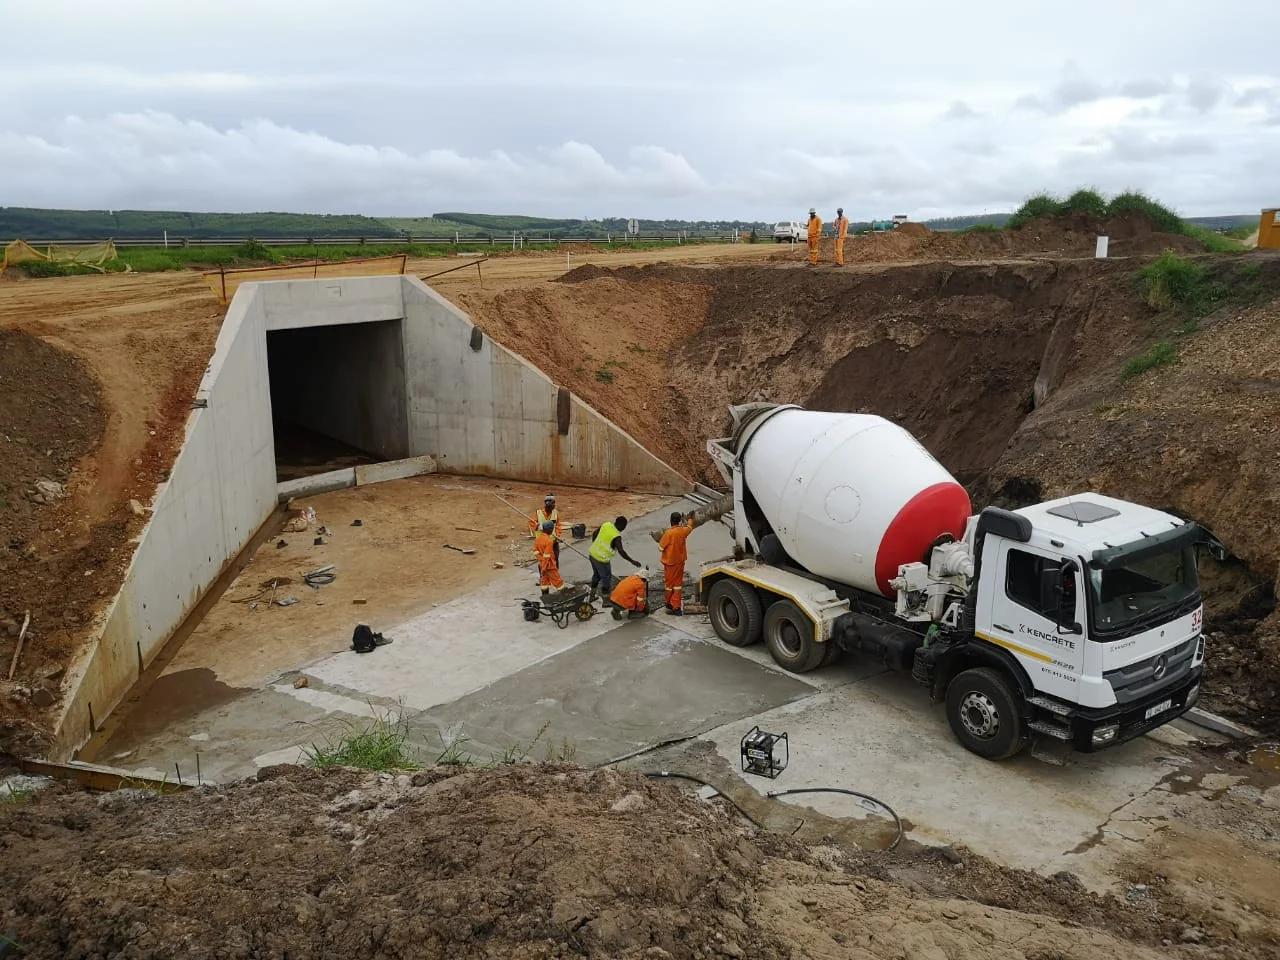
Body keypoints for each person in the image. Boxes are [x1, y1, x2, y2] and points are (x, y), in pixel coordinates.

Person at [658, 511, 699, 615]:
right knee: (677, 584)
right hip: (680, 562)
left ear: (670, 521)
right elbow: (690, 527)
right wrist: (690, 519)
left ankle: (669, 604)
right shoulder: (683, 531)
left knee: (669, 585)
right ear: (680, 521)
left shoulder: (669, 533)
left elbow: (660, 548)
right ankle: (676, 607)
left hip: (670, 563)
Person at [588, 516, 640, 599]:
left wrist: (596, 545)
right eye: (624, 526)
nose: (624, 529)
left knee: (596, 575)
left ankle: (591, 596)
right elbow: (621, 551)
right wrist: (632, 561)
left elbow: (595, 534)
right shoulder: (616, 537)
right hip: (602, 560)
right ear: (622, 526)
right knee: (606, 578)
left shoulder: (607, 525)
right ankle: (606, 600)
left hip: (592, 555)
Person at [528, 493, 563, 564]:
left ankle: (554, 574)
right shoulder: (538, 513)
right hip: (542, 543)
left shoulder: (555, 513)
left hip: (553, 542)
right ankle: (543, 574)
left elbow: (558, 525)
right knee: (544, 561)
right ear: (546, 504)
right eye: (551, 503)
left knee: (555, 560)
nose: (553, 505)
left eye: (553, 503)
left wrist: (558, 535)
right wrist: (538, 527)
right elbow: (531, 523)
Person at [533, 520, 564, 596]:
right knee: (558, 582)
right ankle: (565, 597)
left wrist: (541, 562)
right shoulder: (549, 541)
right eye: (552, 529)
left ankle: (545, 597)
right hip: (549, 566)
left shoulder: (538, 539)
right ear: (549, 529)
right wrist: (544, 568)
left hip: (542, 564)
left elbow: (535, 551)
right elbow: (546, 556)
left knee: (544, 582)